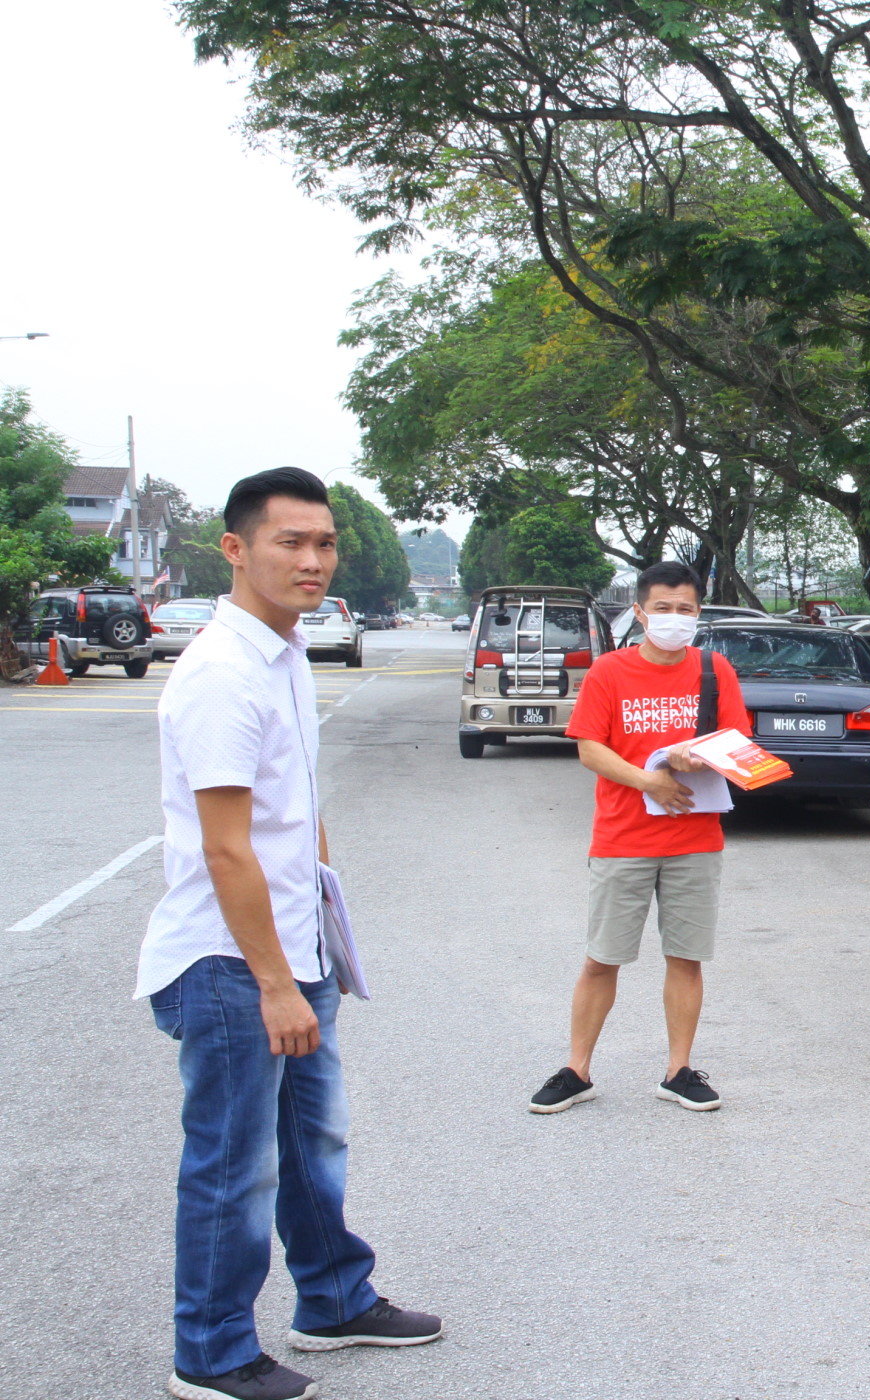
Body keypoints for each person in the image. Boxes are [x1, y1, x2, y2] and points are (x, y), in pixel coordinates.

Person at [142, 467, 440, 1400]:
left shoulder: (283, 654)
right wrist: (274, 981)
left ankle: (334, 1299)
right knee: (235, 1167)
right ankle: (213, 1351)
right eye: (290, 542)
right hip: (232, 963)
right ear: (235, 550)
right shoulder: (223, 675)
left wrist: (321, 941)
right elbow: (228, 851)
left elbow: (292, 821)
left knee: (312, 1143)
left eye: (324, 544)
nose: (312, 561)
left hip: (288, 948)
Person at [530, 560, 751, 1115]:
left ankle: (679, 1071)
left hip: (695, 840)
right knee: (602, 959)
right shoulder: (610, 671)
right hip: (623, 838)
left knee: (686, 957)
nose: (674, 619)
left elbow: (737, 740)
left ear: (699, 613)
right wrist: (648, 777)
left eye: (685, 609)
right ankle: (576, 1069)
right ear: (639, 611)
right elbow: (588, 746)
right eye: (662, 608)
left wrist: (696, 754)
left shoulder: (713, 669)